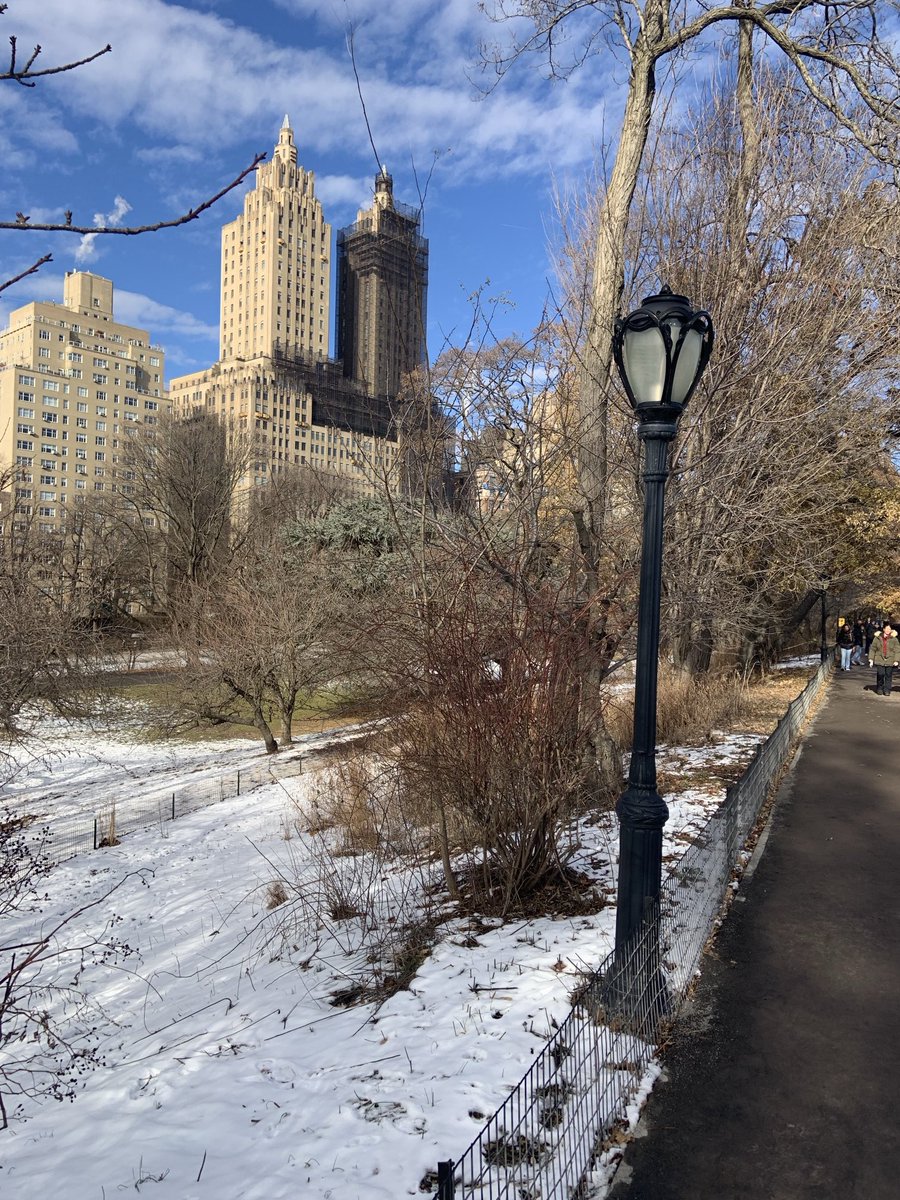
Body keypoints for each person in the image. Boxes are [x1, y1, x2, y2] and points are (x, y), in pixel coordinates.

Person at [868, 621, 900, 695]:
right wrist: (871, 659)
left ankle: (887, 690)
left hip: (890, 659)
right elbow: (873, 648)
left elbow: (897, 650)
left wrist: (896, 660)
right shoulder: (877, 638)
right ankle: (880, 687)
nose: (888, 630)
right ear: (883, 629)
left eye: (890, 629)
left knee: (888, 675)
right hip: (879, 658)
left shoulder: (894, 639)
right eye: (887, 628)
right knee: (880, 674)